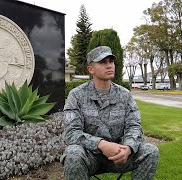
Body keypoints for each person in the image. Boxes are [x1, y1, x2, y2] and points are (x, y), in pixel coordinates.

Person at [61, 46, 159, 180]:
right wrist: (101, 145)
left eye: (111, 61)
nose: (109, 66)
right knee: (73, 154)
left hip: (119, 156)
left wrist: (128, 148)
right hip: (90, 157)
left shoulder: (125, 95)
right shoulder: (77, 95)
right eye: (102, 62)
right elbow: (71, 133)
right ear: (91, 69)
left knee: (150, 151)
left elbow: (134, 126)